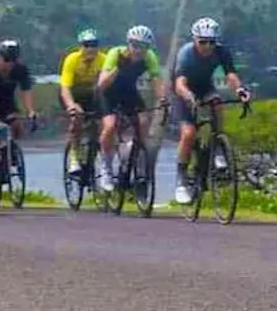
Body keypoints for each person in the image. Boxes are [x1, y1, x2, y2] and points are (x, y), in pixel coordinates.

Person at [170, 16, 249, 206]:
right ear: (195, 40)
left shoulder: (221, 51)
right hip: (183, 92)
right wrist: (189, 97)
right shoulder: (186, 53)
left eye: (211, 42)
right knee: (188, 134)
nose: (207, 46)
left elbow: (230, 74)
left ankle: (218, 146)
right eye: (202, 42)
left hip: (205, 87)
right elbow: (180, 83)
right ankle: (181, 179)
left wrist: (239, 89)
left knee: (217, 102)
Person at [94, 24, 164, 194]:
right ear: (128, 44)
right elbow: (101, 85)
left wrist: (162, 99)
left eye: (143, 47)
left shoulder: (149, 57)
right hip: (108, 94)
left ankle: (135, 155)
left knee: (144, 121)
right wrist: (118, 68)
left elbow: (156, 80)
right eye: (135, 46)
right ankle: (106, 168)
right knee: (110, 126)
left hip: (129, 92)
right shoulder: (115, 54)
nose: (138, 51)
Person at [0, 39, 37, 195]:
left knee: (16, 125)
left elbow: (26, 92)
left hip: (8, 105)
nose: (9, 64)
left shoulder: (20, 71)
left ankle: (10, 151)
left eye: (12, 60)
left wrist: (30, 111)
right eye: (6, 60)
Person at [58, 28, 105, 166]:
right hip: (73, 95)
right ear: (81, 47)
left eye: (94, 45)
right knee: (77, 116)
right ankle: (74, 153)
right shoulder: (72, 59)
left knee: (102, 123)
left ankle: (95, 155)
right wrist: (71, 105)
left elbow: (107, 85)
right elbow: (65, 88)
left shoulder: (103, 59)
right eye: (87, 45)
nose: (90, 49)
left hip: (91, 95)